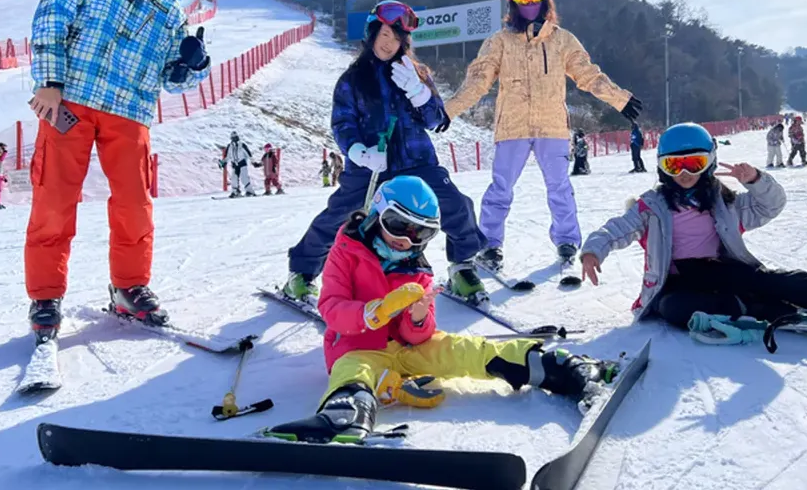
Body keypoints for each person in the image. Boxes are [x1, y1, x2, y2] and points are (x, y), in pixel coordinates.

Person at [264, 175, 622, 444]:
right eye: (398, 225)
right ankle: (346, 413)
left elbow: (417, 334)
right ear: (377, 213)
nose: (406, 239)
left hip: (407, 351)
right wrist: (371, 313)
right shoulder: (347, 250)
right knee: (351, 369)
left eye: (420, 233)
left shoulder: (416, 269)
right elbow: (330, 306)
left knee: (462, 349)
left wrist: (418, 318)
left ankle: (556, 368)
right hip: (357, 348)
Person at [24, 0, 208, 339]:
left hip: (130, 111)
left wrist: (190, 64)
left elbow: (171, 77)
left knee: (134, 205)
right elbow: (53, 13)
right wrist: (49, 79)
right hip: (72, 98)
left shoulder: (171, 8)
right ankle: (45, 295)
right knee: (54, 199)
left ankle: (129, 287)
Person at [577, 122, 807, 330]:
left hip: (723, 270)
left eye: (693, 163)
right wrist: (593, 250)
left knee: (784, 281)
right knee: (673, 308)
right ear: (662, 167)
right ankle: (758, 308)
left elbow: (770, 206)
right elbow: (616, 229)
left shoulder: (725, 202)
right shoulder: (651, 206)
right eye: (674, 165)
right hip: (678, 281)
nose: (683, 173)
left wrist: (757, 181)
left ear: (709, 162)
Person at [283, 0, 485, 305]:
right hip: (369, 167)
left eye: (396, 38)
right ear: (371, 35)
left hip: (417, 163)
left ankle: (462, 266)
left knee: (456, 205)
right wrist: (358, 152)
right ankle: (301, 273)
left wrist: (419, 93)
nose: (388, 44)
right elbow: (342, 122)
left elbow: (435, 119)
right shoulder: (353, 80)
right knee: (340, 216)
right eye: (383, 36)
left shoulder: (416, 73)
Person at [444, 0, 641, 277]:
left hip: (552, 128)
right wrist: (448, 110)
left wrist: (619, 99)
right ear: (512, 3)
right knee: (500, 189)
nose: (529, 3)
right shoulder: (499, 42)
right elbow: (477, 82)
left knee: (559, 187)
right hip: (512, 127)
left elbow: (587, 74)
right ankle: (490, 244)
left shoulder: (562, 40)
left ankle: (566, 241)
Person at [221, 131, 257, 198]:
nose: (235, 139)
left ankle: (250, 191)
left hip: (242, 163)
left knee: (244, 178)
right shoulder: (230, 146)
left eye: (236, 137)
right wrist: (224, 162)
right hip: (234, 164)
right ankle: (235, 191)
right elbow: (227, 156)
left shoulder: (242, 145)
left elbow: (248, 154)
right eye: (233, 138)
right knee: (234, 178)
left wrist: (253, 162)